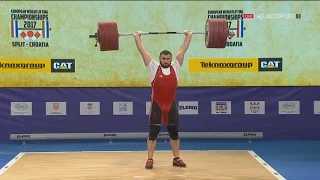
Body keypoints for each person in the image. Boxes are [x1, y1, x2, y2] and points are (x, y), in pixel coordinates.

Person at [133, 30, 193, 169]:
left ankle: (176, 158)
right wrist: (137, 38)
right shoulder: (153, 68)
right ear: (160, 59)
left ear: (170, 59)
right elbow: (143, 51)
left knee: (174, 134)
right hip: (157, 107)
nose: (166, 61)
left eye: (167, 59)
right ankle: (149, 159)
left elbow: (183, 49)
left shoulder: (175, 67)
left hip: (170, 106)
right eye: (163, 59)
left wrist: (188, 36)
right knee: (153, 134)